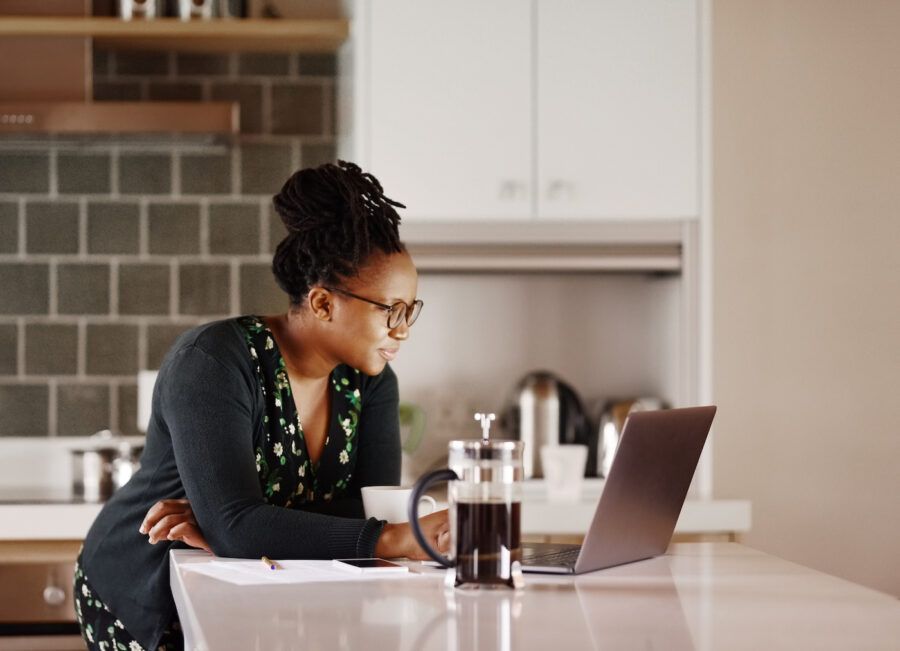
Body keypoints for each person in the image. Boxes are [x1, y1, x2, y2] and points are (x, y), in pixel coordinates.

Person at [73, 161, 449, 651]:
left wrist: (244, 524)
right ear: (322, 304)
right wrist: (393, 538)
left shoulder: (371, 382)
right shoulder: (213, 361)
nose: (403, 329)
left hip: (266, 585)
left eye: (411, 310)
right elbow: (246, 528)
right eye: (391, 311)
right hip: (143, 591)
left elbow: (362, 506)